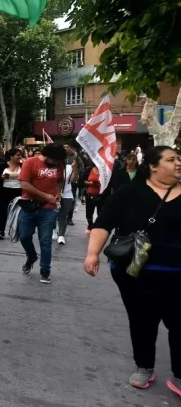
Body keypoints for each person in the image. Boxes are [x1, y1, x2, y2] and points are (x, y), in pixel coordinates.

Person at [84, 146, 181, 396]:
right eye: (171, 160)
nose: (178, 163)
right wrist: (92, 254)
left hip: (177, 271)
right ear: (153, 166)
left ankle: (179, 375)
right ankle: (144, 366)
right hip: (134, 271)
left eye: (179, 159)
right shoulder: (129, 192)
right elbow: (103, 223)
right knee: (142, 319)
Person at [17, 143, 66, 284]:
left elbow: (60, 181)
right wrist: (45, 196)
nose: (56, 163)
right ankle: (31, 256)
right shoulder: (30, 162)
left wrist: (58, 193)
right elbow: (24, 184)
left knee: (45, 241)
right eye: (55, 160)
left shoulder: (58, 166)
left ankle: (45, 270)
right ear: (47, 155)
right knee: (24, 236)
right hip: (29, 206)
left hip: (48, 209)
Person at [0, 147, 23, 240]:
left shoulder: (23, 166)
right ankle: (1, 231)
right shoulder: (2, 166)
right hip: (4, 191)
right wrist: (1, 177)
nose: (19, 157)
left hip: (18, 191)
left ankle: (15, 231)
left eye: (20, 155)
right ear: (11, 156)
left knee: (17, 212)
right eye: (17, 155)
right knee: (3, 212)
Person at [55, 160, 78, 245]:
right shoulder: (51, 167)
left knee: (63, 215)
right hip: (52, 194)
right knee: (51, 214)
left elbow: (73, 180)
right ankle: (53, 230)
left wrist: (75, 169)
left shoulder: (69, 167)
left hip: (67, 195)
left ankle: (61, 235)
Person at [63, 142, 85, 226]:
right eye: (64, 147)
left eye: (67, 147)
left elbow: (82, 168)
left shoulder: (76, 157)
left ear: (71, 148)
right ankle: (61, 217)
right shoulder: (60, 157)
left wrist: (76, 174)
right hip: (62, 182)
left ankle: (69, 218)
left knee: (71, 200)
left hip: (72, 182)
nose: (65, 148)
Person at [82, 164, 105, 234]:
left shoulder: (105, 170)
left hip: (101, 195)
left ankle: (98, 226)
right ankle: (90, 225)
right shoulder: (89, 169)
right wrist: (90, 183)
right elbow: (82, 180)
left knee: (101, 213)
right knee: (89, 212)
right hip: (90, 195)